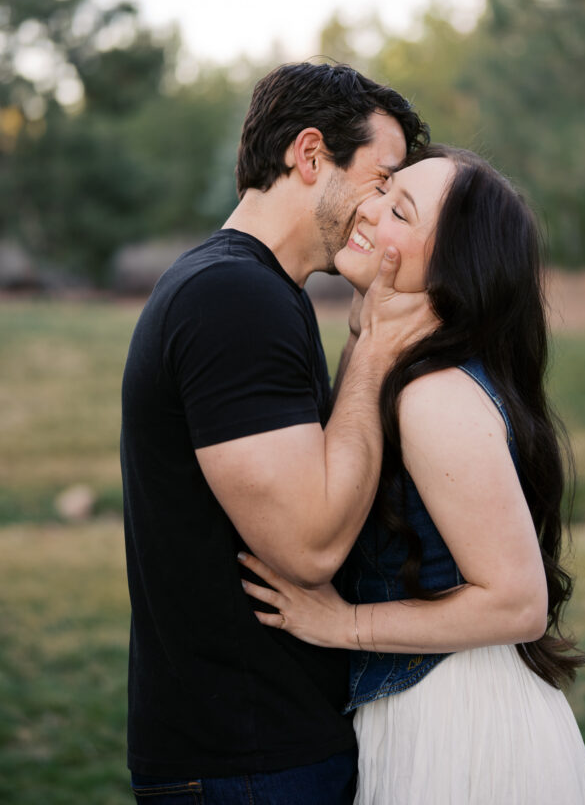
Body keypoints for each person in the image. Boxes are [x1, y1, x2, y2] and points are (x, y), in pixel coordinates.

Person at [239, 145, 585, 804]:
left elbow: (518, 601)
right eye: (384, 191)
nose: (370, 210)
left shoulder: (434, 396)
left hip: (460, 729)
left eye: (400, 211)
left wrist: (343, 625)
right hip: (430, 708)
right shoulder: (408, 372)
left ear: (451, 275)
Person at [120, 62, 433, 804]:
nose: (384, 209)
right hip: (249, 760)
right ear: (310, 153)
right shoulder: (233, 298)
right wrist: (376, 350)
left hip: (258, 749)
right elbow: (308, 545)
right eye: (382, 179)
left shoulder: (258, 291)